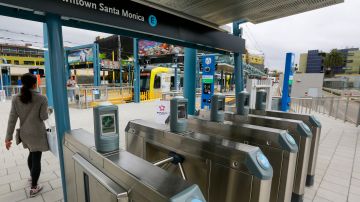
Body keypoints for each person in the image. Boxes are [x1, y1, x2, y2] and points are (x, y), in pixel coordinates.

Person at [5, 73, 49, 198]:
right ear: (35, 84)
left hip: (25, 134)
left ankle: (31, 177)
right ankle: (34, 187)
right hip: (37, 134)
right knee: (36, 158)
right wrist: (49, 110)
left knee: (31, 153)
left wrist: (8, 138)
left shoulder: (15, 98)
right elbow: (43, 117)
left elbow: (12, 119)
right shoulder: (42, 98)